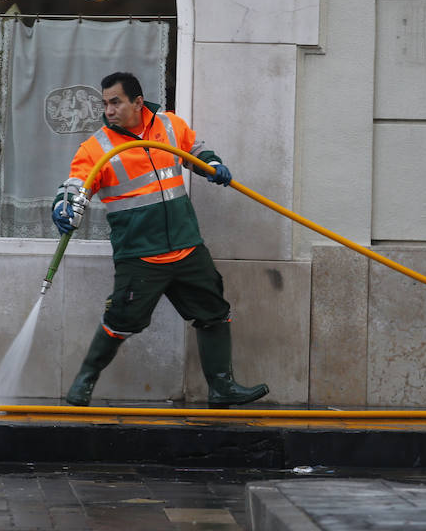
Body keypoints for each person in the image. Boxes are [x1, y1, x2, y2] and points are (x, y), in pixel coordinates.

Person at [53, 71, 270, 407]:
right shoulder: (98, 147)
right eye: (105, 103)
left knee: (213, 311)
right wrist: (63, 207)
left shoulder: (168, 125)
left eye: (116, 102)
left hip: (186, 246)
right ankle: (83, 383)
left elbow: (194, 150)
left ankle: (221, 387)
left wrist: (212, 163)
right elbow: (76, 182)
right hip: (140, 253)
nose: (108, 110)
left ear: (138, 102)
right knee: (121, 321)